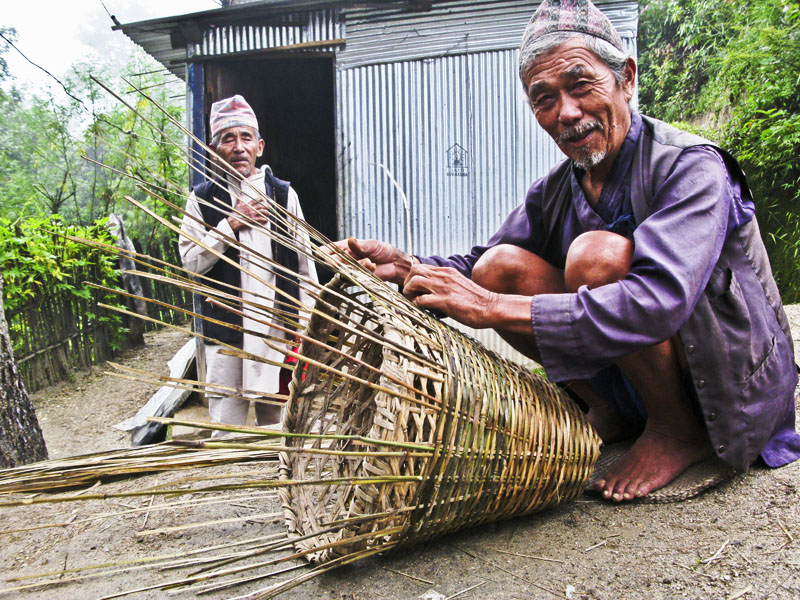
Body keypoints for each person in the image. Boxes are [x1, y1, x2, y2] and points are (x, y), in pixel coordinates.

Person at [328, 0, 800, 502]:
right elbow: (479, 269)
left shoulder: (689, 167)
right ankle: (614, 409)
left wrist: (491, 309)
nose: (567, 112)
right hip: (641, 371)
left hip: (722, 377)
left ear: (626, 79)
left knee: (593, 258)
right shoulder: (558, 188)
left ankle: (675, 428)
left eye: (581, 85)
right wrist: (407, 268)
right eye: (544, 98)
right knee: (499, 267)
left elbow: (658, 299)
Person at [180, 95, 318, 431]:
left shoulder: (283, 195)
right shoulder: (202, 200)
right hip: (228, 334)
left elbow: (304, 267)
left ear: (260, 146)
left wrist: (308, 325)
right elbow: (190, 263)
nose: (238, 147)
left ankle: (275, 484)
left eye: (245, 138)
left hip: (277, 331)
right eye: (228, 139)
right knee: (226, 427)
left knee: (278, 425)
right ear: (214, 150)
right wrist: (231, 223)